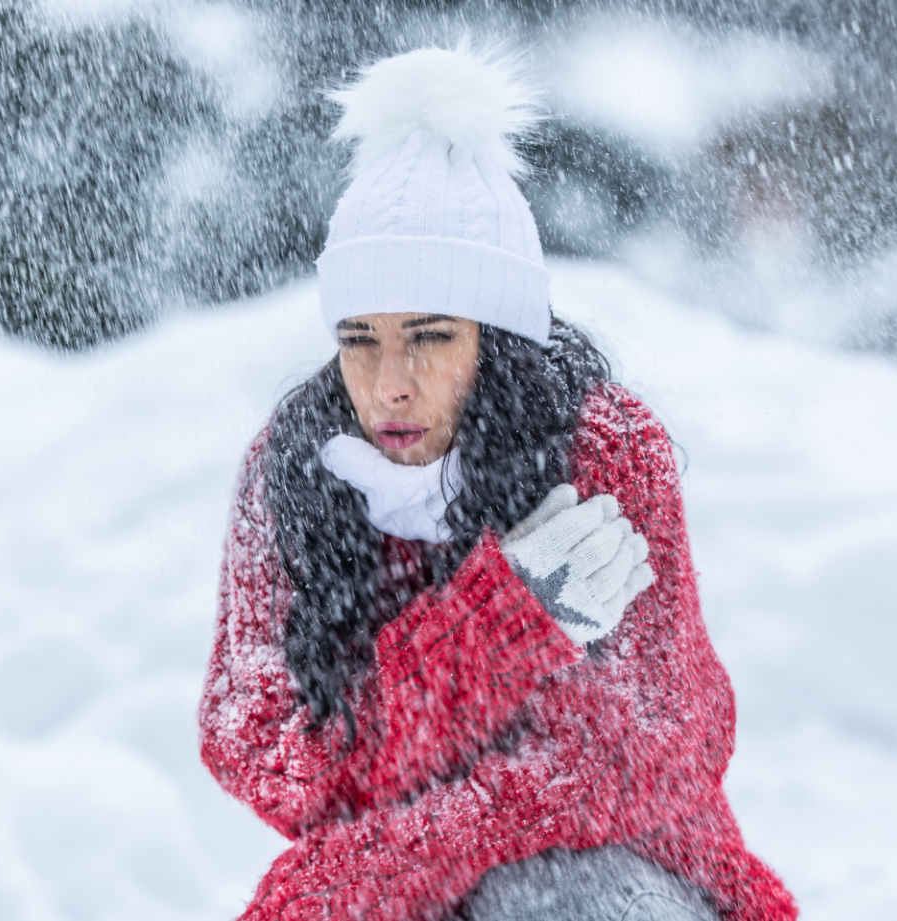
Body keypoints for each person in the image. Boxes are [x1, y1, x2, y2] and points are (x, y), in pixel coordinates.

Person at [198, 47, 797, 921]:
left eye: (431, 335)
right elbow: (271, 755)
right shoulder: (294, 471)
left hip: (614, 871)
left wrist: (373, 837)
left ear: (501, 338)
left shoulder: (606, 452)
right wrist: (504, 623)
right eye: (360, 336)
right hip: (396, 885)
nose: (388, 381)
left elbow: (652, 751)